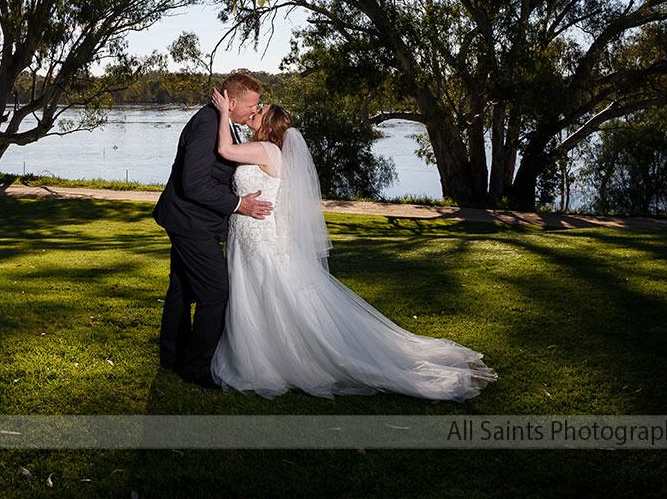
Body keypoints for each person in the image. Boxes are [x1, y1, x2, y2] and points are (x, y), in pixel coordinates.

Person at [207, 88, 497, 400]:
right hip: (253, 236)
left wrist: (224, 111)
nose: (256, 111)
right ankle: (264, 354)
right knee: (262, 300)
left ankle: (268, 362)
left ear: (267, 126)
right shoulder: (264, 149)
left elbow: (224, 150)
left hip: (258, 240)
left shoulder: (265, 150)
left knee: (265, 299)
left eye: (260, 111)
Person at [153, 73, 274, 389]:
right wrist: (238, 204)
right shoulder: (208, 123)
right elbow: (194, 183)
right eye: (251, 105)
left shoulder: (222, 120)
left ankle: (172, 357)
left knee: (182, 288)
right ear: (231, 102)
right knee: (216, 292)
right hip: (191, 222)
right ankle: (196, 368)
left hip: (189, 219)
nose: (254, 110)